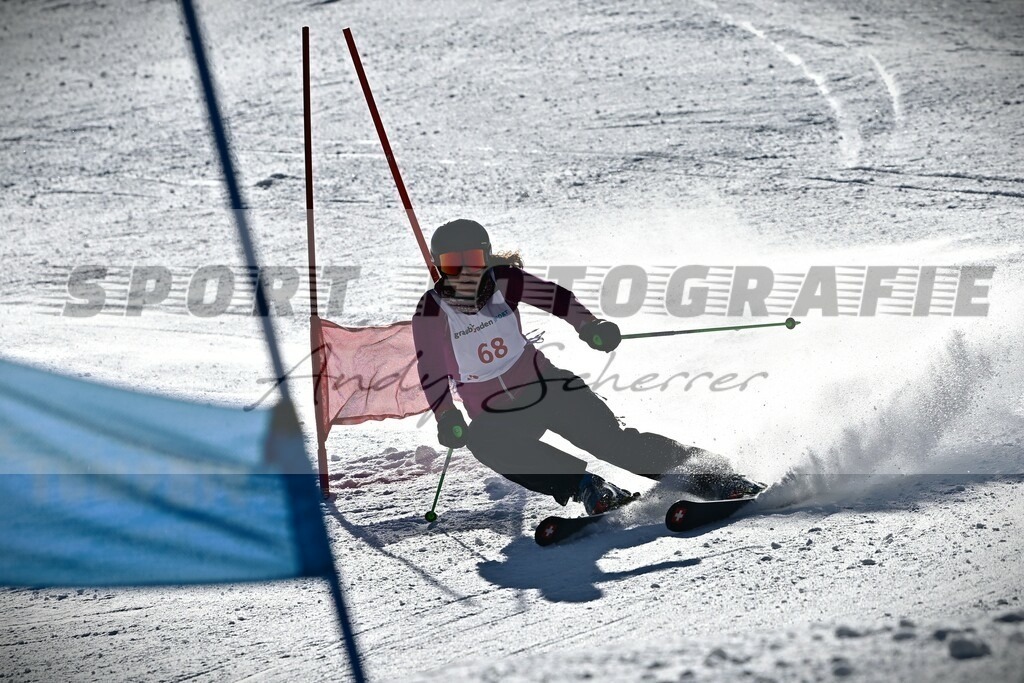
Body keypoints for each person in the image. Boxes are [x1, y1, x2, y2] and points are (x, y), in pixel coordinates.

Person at [412, 219, 763, 515]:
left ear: (486, 257)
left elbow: (557, 299)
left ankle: (713, 476)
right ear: (439, 267)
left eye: (473, 260)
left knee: (613, 443)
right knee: (484, 441)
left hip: (548, 388)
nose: (465, 273)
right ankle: (587, 486)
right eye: (453, 264)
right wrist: (447, 416)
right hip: (496, 413)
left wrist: (590, 326)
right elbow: (431, 370)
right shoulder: (432, 310)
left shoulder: (504, 280)